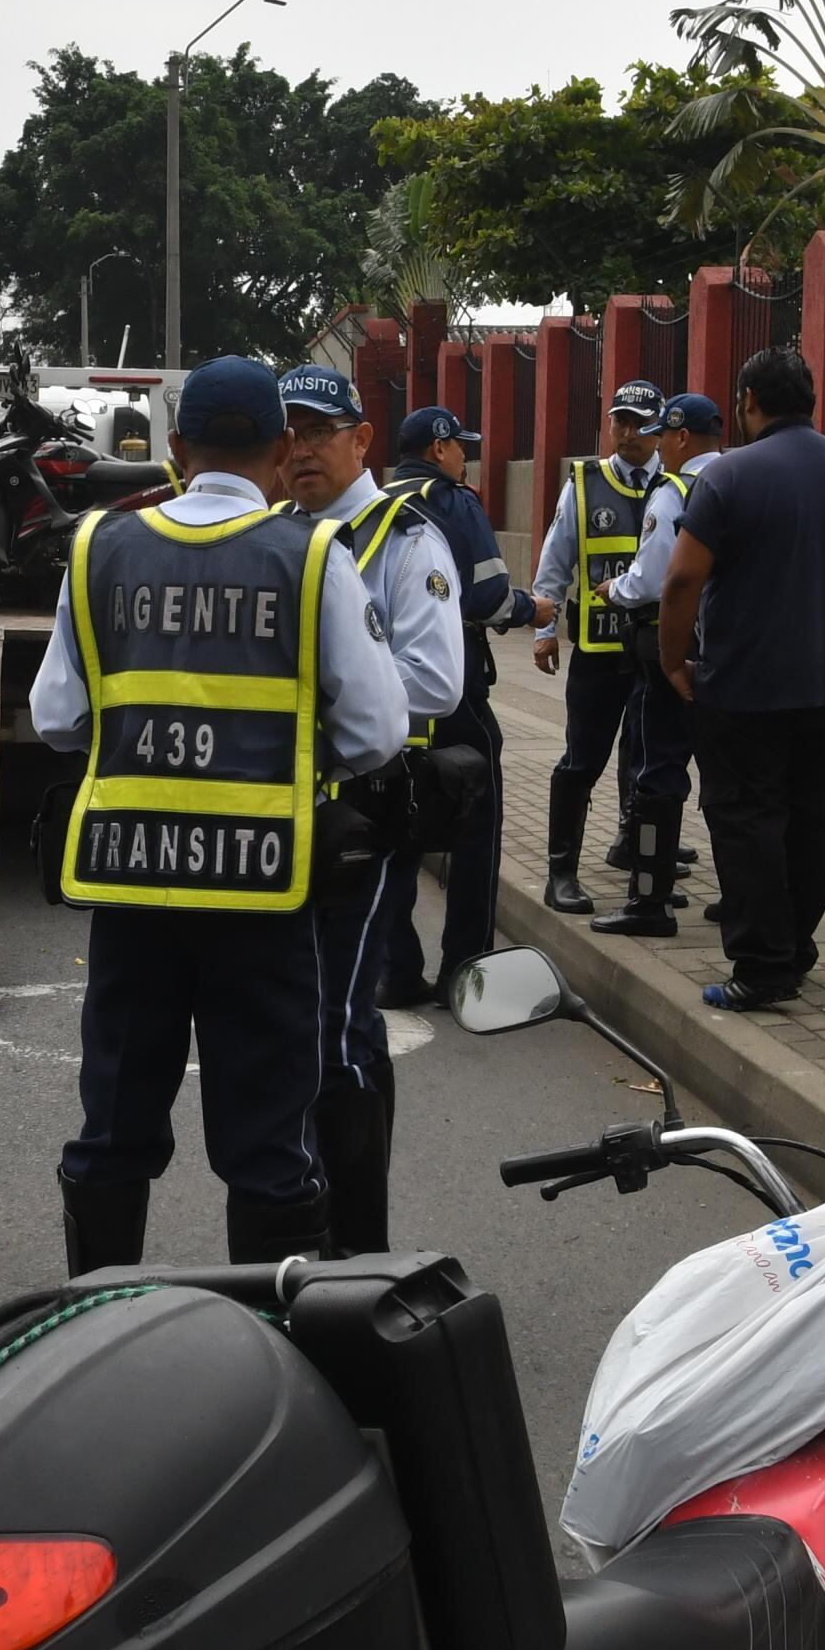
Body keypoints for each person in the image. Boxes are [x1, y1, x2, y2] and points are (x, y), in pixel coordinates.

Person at [37, 356, 408, 1274]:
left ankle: (95, 1331)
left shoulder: (99, 549)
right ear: (284, 449)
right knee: (270, 1148)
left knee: (115, 1127)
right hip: (264, 898)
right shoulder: (316, 558)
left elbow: (57, 718)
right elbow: (376, 733)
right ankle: (274, 1358)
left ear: (174, 450)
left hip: (132, 895)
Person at [276, 366, 463, 1257]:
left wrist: (326, 696)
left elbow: (435, 680)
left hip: (363, 813)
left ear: (361, 440)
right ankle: (308, 1217)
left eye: (322, 429)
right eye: (291, 431)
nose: (303, 447)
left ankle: (356, 1250)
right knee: (294, 1016)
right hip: (279, 811)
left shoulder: (401, 538)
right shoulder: (277, 534)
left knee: (341, 1022)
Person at [659, 347, 825, 1010]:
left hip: (744, 689)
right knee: (814, 815)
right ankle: (796, 946)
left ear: (748, 401)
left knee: (747, 818)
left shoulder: (729, 478)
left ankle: (764, 968)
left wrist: (672, 659)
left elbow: (683, 578)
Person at [374, 405, 538, 1003]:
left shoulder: (373, 503)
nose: (465, 456)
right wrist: (533, 610)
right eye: (459, 446)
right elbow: (489, 597)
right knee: (475, 823)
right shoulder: (453, 501)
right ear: (438, 448)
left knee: (394, 826)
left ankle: (395, 971)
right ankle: (465, 971)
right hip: (453, 688)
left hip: (388, 694)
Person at [529, 378, 672, 913]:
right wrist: (544, 631)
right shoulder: (585, 483)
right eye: (619, 420)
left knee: (648, 760)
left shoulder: (674, 484)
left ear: (660, 430)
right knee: (582, 760)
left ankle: (640, 859)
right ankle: (560, 872)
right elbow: (555, 557)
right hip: (599, 650)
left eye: (638, 422)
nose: (627, 431)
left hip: (655, 652)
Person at [592, 392, 728, 936]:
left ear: (680, 438)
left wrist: (614, 588)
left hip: (671, 646)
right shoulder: (740, 481)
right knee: (728, 776)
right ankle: (740, 896)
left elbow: (654, 579)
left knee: (659, 769)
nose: (658, 445)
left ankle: (650, 901)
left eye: (663, 435)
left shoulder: (673, 491)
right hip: (731, 650)